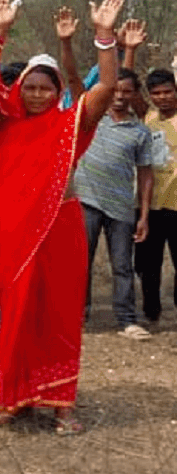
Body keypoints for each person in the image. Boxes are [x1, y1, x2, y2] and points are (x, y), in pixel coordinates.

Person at [0, 0, 124, 435]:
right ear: (19, 89)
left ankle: (61, 402)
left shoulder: (70, 124)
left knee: (60, 316)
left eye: (46, 88)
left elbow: (106, 86)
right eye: (31, 87)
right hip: (13, 232)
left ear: (58, 91)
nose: (38, 95)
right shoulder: (0, 126)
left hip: (62, 228)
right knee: (18, 313)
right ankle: (11, 398)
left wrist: (104, 37)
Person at [72, 69, 153, 339]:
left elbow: (145, 174)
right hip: (86, 202)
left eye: (126, 91)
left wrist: (143, 215)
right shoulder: (90, 119)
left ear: (134, 94)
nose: (119, 96)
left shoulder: (140, 132)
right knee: (81, 261)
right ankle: (76, 315)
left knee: (122, 265)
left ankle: (127, 319)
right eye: (115, 90)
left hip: (121, 207)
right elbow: (74, 84)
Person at [142, 68, 177, 324]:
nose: (163, 97)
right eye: (157, 93)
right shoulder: (148, 117)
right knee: (147, 263)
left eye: (168, 92)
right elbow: (124, 82)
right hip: (150, 205)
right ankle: (151, 310)